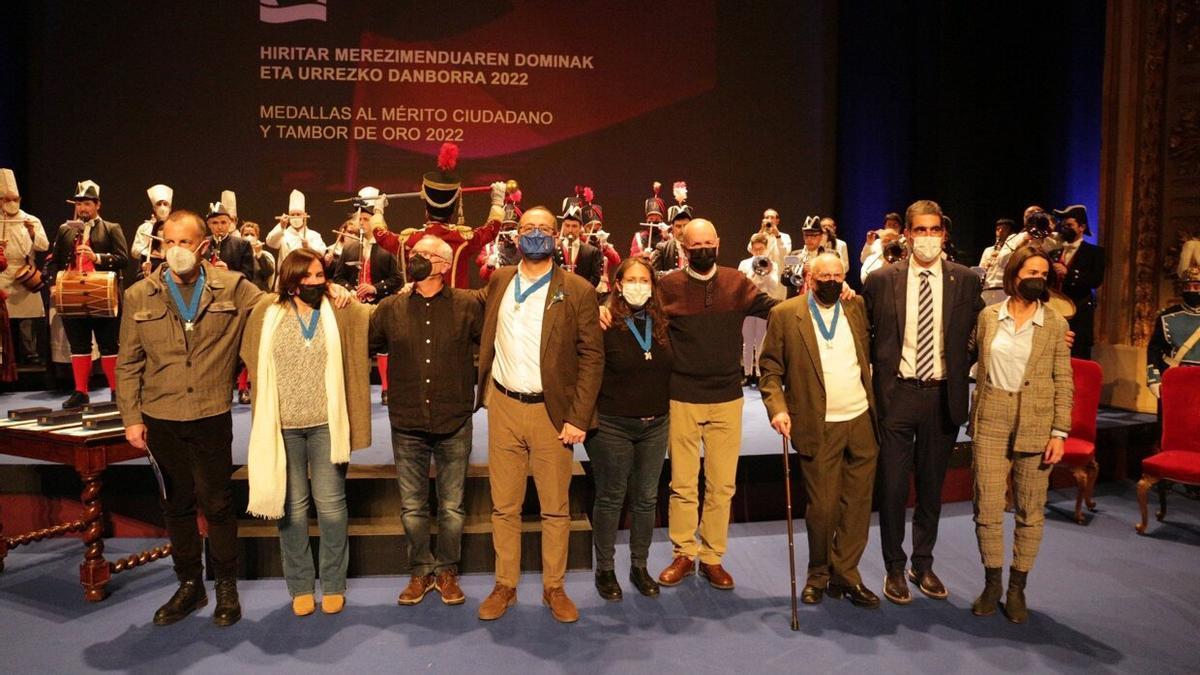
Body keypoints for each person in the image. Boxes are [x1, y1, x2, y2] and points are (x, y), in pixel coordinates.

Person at [116, 210, 262, 627]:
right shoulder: (139, 295)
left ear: (203, 246)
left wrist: (334, 295)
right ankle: (189, 585)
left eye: (184, 242)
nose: (175, 250)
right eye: (168, 242)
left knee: (217, 504)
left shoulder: (233, 287)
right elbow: (127, 363)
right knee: (176, 506)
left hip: (210, 415)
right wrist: (131, 417)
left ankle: (226, 587)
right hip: (160, 417)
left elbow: (277, 307)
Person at [473, 206, 603, 624]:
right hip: (505, 406)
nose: (535, 235)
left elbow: (591, 358)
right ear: (516, 235)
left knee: (554, 507)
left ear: (556, 238)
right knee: (504, 505)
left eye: (543, 229)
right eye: (527, 228)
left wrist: (579, 416)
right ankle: (505, 584)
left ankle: (554, 587)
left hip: (553, 413)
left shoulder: (578, 289)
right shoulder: (499, 281)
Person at [862, 199, 984, 605]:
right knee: (894, 488)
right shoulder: (882, 280)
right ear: (908, 234)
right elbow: (867, 335)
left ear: (944, 234)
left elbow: (979, 328)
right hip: (898, 396)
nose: (928, 237)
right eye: (921, 230)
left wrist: (963, 356)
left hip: (942, 397)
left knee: (931, 489)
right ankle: (894, 568)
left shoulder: (966, 280)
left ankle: (923, 563)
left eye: (935, 230)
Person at [240, 247, 371, 617]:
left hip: (327, 425)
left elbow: (373, 319)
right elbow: (250, 353)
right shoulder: (268, 311)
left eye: (319, 275)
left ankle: (332, 583)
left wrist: (345, 291)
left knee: (331, 508)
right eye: (307, 276)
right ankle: (300, 584)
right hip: (283, 428)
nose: (314, 282)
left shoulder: (338, 311)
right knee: (293, 510)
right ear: (290, 280)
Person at [651, 218, 779, 590]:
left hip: (727, 396)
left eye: (709, 242)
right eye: (696, 244)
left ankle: (712, 557)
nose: (703, 248)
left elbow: (777, 310)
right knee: (683, 484)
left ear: (719, 244)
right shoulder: (667, 285)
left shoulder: (737, 283)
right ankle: (683, 553)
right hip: (683, 396)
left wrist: (820, 299)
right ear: (683, 246)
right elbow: (638, 316)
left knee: (722, 485)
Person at [760, 252, 880, 608]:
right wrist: (778, 409)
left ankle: (847, 574)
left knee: (857, 506)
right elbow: (769, 370)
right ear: (809, 278)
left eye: (837, 275)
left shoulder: (855, 308)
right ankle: (818, 574)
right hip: (817, 423)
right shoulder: (785, 314)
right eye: (823, 275)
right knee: (823, 507)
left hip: (860, 420)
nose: (830, 280)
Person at [372, 235, 482, 607]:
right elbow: (367, 343)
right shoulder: (391, 307)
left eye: (425, 255)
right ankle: (421, 570)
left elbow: (492, 346)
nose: (416, 258)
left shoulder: (468, 306)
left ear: (445, 265)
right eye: (415, 253)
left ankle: (447, 570)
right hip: (407, 420)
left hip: (454, 418)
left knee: (452, 507)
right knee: (413, 506)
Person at [968, 246, 1072, 623]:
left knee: (1030, 510)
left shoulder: (1055, 324)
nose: (1037, 279)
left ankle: (1017, 588)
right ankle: (992, 581)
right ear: (1014, 275)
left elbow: (1064, 380)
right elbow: (965, 351)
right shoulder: (988, 317)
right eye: (1031, 272)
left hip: (1037, 422)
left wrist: (1059, 432)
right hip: (992, 416)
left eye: (1043, 274)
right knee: (988, 507)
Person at [583, 257, 673, 601]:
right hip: (612, 425)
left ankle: (639, 566)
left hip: (656, 424)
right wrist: (598, 306)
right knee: (611, 497)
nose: (638, 285)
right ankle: (605, 569)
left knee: (647, 499)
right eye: (631, 279)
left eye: (644, 280)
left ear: (653, 285)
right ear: (618, 284)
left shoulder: (661, 319)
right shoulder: (603, 321)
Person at [48, 180, 129, 409]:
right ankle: (81, 392)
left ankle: (116, 391)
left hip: (103, 295)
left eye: (87, 204)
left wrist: (97, 258)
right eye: (79, 203)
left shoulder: (111, 228)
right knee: (79, 345)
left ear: (97, 205)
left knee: (109, 345)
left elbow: (123, 259)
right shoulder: (66, 230)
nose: (83, 208)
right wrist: (55, 285)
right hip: (72, 294)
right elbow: (54, 262)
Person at [373, 143, 501, 289]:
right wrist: (497, 201)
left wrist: (378, 210)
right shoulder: (463, 240)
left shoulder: (410, 240)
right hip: (456, 308)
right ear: (453, 211)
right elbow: (491, 229)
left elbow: (381, 235)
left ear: (426, 210)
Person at [333, 196, 403, 404]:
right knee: (356, 347)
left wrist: (375, 288)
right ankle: (356, 389)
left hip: (380, 304)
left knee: (383, 347)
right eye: (360, 219)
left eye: (366, 219)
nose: (362, 223)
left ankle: (386, 389)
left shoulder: (388, 247)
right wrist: (350, 291)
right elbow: (338, 277)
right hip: (354, 306)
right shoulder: (350, 248)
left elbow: (397, 279)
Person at [0, 168, 49, 365]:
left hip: (24, 274)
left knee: (26, 319)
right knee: (3, 319)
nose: (12, 203)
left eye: (16, 199)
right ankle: (5, 357)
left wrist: (31, 233)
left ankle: (30, 355)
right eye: (7, 199)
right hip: (2, 274)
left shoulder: (31, 220)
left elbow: (43, 246)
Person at [1051, 205, 1105, 359]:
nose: (1064, 228)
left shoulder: (1095, 253)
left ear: (1081, 227)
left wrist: (1068, 273)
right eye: (1063, 225)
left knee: (1077, 358)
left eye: (1069, 225)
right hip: (1055, 313)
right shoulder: (1054, 252)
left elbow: (1095, 280)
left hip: (1079, 314)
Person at [738, 233, 786, 386]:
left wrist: (764, 273)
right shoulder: (744, 264)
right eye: (755, 249)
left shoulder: (772, 264)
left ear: (766, 249)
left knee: (760, 342)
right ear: (751, 249)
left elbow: (773, 286)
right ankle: (746, 374)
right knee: (747, 342)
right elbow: (741, 285)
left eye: (761, 249)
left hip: (764, 306)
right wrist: (753, 271)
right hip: (747, 305)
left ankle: (759, 374)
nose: (758, 252)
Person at [1146, 266, 1200, 397]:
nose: (1190, 290)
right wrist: (1154, 379)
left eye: (1196, 287)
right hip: (1174, 377)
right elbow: (1154, 349)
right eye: (1186, 287)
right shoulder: (1167, 316)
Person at [265, 189, 327, 274]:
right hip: (286, 276)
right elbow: (270, 242)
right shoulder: (283, 234)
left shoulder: (313, 235)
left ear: (305, 215)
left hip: (307, 276)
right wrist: (281, 226)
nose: (295, 217)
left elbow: (322, 253)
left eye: (298, 214)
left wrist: (308, 246)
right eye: (292, 215)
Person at [477, 189, 522, 282]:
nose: (510, 229)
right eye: (507, 226)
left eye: (513, 226)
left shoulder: (527, 244)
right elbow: (484, 276)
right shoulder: (491, 247)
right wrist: (489, 266)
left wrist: (520, 245)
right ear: (501, 228)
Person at [130, 184, 174, 278]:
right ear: (154, 208)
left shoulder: (176, 227)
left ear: (170, 208)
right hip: (150, 266)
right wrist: (150, 253)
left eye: (165, 204)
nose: (162, 207)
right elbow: (135, 251)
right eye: (159, 204)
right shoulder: (145, 228)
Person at [557, 200, 603, 288]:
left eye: (574, 226)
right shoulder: (554, 249)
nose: (570, 230)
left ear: (580, 227)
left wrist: (581, 292)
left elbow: (595, 278)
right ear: (563, 225)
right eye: (567, 226)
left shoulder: (592, 251)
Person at [205, 197, 254, 279]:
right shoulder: (203, 243)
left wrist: (229, 272)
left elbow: (248, 276)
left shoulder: (243, 245)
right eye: (215, 223)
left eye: (223, 222)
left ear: (229, 223)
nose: (220, 227)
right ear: (209, 224)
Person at [652, 181, 693, 274]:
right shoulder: (662, 248)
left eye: (685, 226)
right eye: (678, 226)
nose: (682, 230)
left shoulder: (698, 246)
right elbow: (653, 274)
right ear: (672, 227)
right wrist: (671, 275)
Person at [978, 218, 1018, 306]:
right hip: (986, 291)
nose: (1000, 231)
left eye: (1004, 229)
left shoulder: (1014, 250)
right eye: (998, 229)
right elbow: (980, 270)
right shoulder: (988, 250)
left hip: (1004, 291)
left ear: (1011, 233)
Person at [630, 182, 669, 258]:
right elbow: (632, 257)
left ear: (661, 220)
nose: (654, 221)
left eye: (657, 219)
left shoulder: (667, 237)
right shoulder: (639, 237)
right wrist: (642, 255)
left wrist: (667, 239)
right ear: (646, 220)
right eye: (651, 219)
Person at [240, 221, 276, 292]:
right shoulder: (236, 254)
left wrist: (259, 254)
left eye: (252, 234)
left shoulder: (266, 255)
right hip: (242, 294)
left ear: (257, 236)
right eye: (246, 234)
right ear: (241, 236)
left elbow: (268, 273)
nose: (249, 237)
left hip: (260, 294)